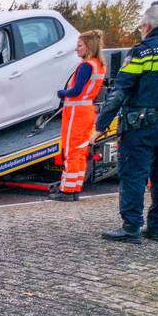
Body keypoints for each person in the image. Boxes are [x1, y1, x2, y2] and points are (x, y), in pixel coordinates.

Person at [95, 4, 158, 242]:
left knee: (134, 174)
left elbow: (120, 91)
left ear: (147, 27)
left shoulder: (143, 51)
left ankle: (131, 227)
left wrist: (100, 126)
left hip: (142, 124)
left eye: (141, 26)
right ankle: (157, 227)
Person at [48, 30, 107, 201]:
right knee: (81, 151)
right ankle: (74, 188)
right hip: (87, 110)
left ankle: (67, 190)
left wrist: (61, 93)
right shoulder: (99, 65)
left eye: (79, 45)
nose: (76, 49)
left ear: (88, 46)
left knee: (71, 150)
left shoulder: (85, 66)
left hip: (76, 112)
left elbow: (76, 90)